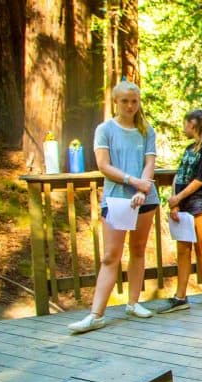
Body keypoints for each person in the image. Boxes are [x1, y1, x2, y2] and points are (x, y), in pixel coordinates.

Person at [68, 81, 158, 333]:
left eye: (134, 101)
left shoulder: (146, 130)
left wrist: (143, 189)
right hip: (117, 198)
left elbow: (150, 162)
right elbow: (103, 165)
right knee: (111, 256)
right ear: (116, 102)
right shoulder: (105, 129)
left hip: (145, 199)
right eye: (125, 101)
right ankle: (96, 314)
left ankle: (133, 302)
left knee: (138, 250)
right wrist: (132, 181)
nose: (130, 106)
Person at [155, 109, 202, 313]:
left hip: (199, 203)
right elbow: (180, 176)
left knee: (200, 247)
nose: (184, 128)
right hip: (182, 205)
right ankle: (180, 296)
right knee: (183, 249)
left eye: (185, 124)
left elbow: (201, 179)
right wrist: (175, 202)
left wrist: (179, 197)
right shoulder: (189, 149)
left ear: (194, 124)